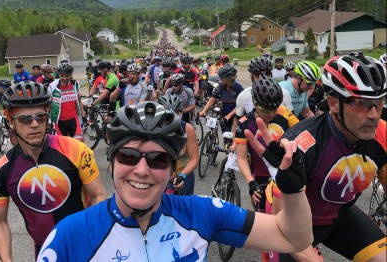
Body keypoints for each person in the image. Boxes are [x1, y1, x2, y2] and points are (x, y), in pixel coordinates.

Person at [36, 101, 313, 261]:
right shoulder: (70, 235)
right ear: (111, 164)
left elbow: (294, 238)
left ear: (171, 170)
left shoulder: (201, 213)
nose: (142, 170)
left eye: (157, 160)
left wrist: (292, 189)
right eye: (129, 157)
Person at [277, 52, 386, 261]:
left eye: (379, 102)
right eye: (361, 103)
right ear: (334, 103)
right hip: (293, 225)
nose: (374, 114)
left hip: (340, 217)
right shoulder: (301, 143)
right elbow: (279, 215)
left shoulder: (383, 135)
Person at [0, 82, 105, 260]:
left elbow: (98, 196)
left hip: (84, 245)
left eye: (41, 117)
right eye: (25, 119)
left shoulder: (76, 150)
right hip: (45, 251)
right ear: (10, 122)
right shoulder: (2, 168)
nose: (35, 124)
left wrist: (96, 239)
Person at [234, 76, 299, 261]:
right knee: (267, 232)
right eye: (264, 109)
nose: (270, 114)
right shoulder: (245, 123)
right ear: (254, 103)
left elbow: (304, 132)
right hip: (260, 179)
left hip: (284, 176)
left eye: (274, 108)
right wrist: (251, 182)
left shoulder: (284, 112)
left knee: (292, 224)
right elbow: (241, 157)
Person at [158, 94, 199, 195]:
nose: (172, 116)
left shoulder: (187, 129)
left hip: (184, 174)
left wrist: (182, 176)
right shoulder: (154, 129)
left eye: (176, 112)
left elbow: (194, 159)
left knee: (183, 207)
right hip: (161, 175)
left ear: (181, 112)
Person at [198, 65, 244, 135]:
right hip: (224, 115)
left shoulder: (238, 87)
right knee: (225, 135)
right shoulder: (220, 87)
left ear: (229, 78)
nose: (220, 79)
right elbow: (212, 99)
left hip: (236, 115)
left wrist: (230, 115)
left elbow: (240, 105)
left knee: (235, 137)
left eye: (222, 77)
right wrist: (203, 111)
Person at [48, 63, 85, 141]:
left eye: (67, 76)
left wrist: (83, 113)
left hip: (73, 119)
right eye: (62, 76)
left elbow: (78, 99)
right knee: (63, 146)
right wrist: (48, 120)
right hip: (59, 121)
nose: (64, 78)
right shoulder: (52, 86)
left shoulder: (75, 84)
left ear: (71, 74)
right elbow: (49, 104)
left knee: (79, 143)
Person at [0, 78, 17, 147]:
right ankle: (15, 149)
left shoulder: (13, 93)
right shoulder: (0, 94)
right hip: (6, 114)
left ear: (2, 87)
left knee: (15, 133)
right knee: (11, 134)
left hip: (14, 114)